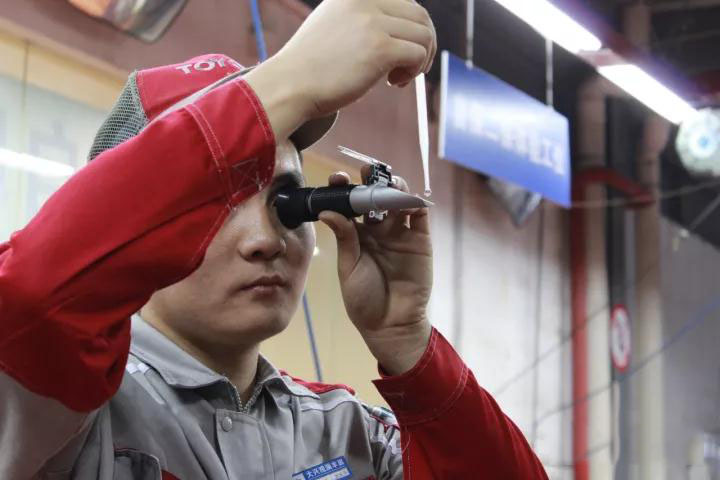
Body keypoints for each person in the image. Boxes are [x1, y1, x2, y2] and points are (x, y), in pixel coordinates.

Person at [0, 0, 549, 478]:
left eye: (285, 199)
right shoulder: (56, 412)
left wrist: (410, 345)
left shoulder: (351, 436)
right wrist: (293, 80)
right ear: (142, 221)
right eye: (215, 205)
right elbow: (30, 298)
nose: (264, 239)